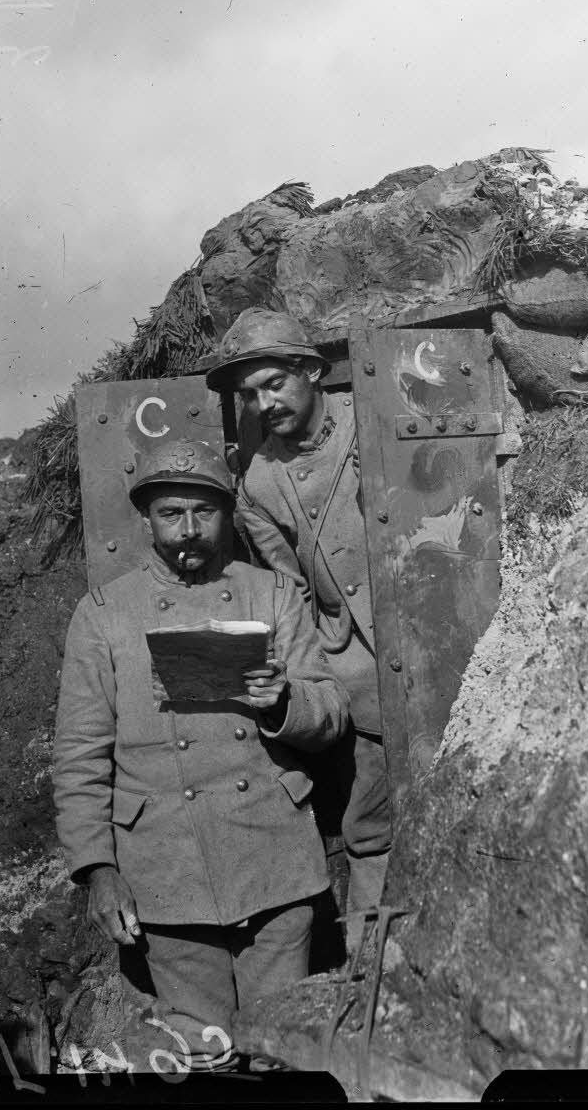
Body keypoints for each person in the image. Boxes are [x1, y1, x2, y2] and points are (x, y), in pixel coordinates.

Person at [52, 438, 349, 1069]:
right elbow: (80, 757)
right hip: (166, 869)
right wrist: (97, 871)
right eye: (170, 514)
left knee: (285, 1053)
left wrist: (282, 702)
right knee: (200, 1055)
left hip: (272, 858)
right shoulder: (104, 615)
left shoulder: (271, 594)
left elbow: (332, 714)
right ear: (147, 520)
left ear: (226, 514)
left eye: (203, 512)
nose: (189, 531)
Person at [206, 309, 391, 933]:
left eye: (275, 385)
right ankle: (374, 963)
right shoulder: (257, 480)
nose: (263, 405)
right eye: (249, 395)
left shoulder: (373, 417)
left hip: (425, 638)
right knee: (370, 822)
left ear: (313, 372)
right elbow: (291, 590)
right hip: (355, 668)